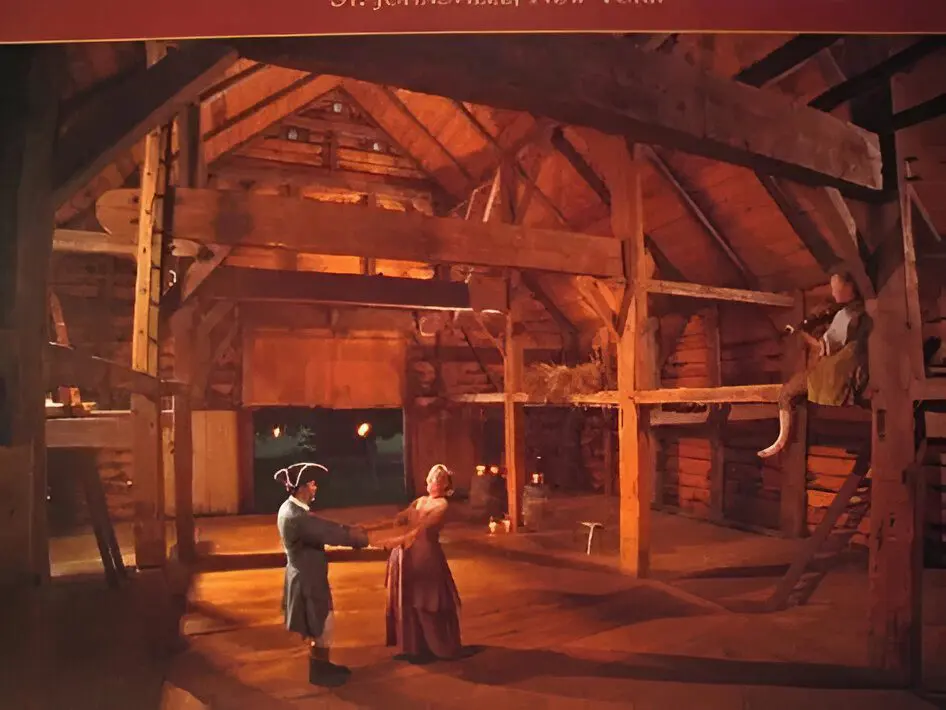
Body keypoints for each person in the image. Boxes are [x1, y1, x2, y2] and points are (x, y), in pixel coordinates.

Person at [758, 269, 871, 458]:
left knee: (786, 392)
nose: (833, 292)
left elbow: (824, 347)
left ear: (849, 287)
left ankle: (781, 440)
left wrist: (803, 333)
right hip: (851, 368)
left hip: (839, 371)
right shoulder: (856, 310)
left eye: (836, 288)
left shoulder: (848, 316)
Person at [274, 462, 370, 685]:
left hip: (306, 575)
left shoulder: (292, 509)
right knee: (321, 624)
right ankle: (319, 672)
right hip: (308, 578)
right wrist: (360, 538)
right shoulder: (297, 516)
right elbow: (328, 532)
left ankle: (323, 667)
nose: (315, 488)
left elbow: (324, 525)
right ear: (301, 488)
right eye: (312, 484)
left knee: (319, 623)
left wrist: (351, 528)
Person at [377, 464, 462, 662]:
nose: (433, 484)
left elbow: (422, 527)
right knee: (406, 600)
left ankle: (438, 647)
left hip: (425, 555)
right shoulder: (420, 501)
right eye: (432, 479)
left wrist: (395, 538)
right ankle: (413, 648)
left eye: (439, 481)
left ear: (445, 485)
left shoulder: (442, 505)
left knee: (427, 600)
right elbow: (401, 517)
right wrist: (386, 525)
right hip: (406, 553)